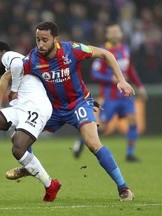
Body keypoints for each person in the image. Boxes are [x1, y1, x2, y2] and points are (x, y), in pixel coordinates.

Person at [9, 21, 135, 201]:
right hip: (52, 109)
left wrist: (121, 80)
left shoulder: (72, 49)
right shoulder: (33, 59)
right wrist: (14, 91)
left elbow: (105, 54)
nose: (40, 44)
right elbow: (13, 72)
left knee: (92, 143)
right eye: (38, 40)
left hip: (78, 103)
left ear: (55, 39)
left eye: (45, 40)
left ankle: (123, 188)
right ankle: (30, 166)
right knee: (18, 139)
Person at [0, 41, 61, 202]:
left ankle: (51, 185)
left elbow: (17, 64)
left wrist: (14, 90)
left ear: (1, 52)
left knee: (18, 148)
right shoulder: (13, 68)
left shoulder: (10, 56)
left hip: (36, 107)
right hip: (23, 107)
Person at [73, 22, 148, 161]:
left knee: (133, 120)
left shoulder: (125, 49)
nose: (114, 34)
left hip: (125, 95)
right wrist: (111, 78)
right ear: (107, 35)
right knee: (104, 128)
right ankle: (82, 141)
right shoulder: (102, 52)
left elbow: (130, 69)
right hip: (110, 96)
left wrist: (140, 86)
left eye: (117, 31)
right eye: (111, 32)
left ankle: (130, 154)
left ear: (121, 34)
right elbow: (95, 74)